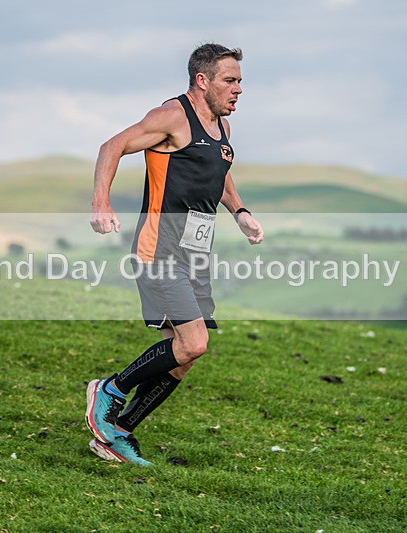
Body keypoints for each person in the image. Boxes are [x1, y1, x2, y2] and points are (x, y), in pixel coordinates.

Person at [86, 43, 263, 466]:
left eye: (240, 81)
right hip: (159, 248)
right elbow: (111, 146)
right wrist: (100, 202)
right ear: (202, 81)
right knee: (193, 343)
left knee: (180, 358)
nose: (238, 89)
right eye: (229, 80)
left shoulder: (222, 130)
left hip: (195, 254)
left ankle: (117, 434)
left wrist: (239, 212)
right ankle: (108, 390)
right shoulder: (171, 117)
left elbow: (217, 174)